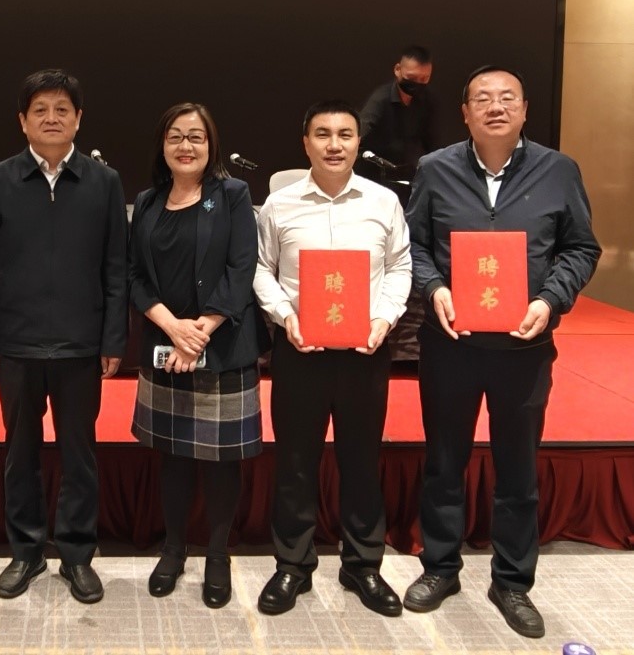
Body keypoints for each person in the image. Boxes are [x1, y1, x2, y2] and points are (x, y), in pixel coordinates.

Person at [402, 66, 600, 639]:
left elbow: (581, 248)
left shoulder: (559, 170)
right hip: (451, 344)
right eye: (483, 99)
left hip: (525, 346)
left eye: (507, 98)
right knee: (444, 461)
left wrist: (550, 299)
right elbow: (412, 244)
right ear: (464, 113)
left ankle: (512, 582)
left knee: (518, 467)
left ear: (525, 109)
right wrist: (434, 288)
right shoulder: (435, 169)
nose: (496, 107)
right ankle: (440, 568)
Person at [0, 68, 128, 604]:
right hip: (16, 345)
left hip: (82, 345)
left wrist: (113, 340)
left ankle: (78, 555)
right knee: (20, 453)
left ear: (79, 118)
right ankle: (26, 551)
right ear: (23, 121)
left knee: (80, 455)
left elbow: (116, 269)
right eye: (40, 110)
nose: (52, 118)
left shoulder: (104, 182)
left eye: (62, 109)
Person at [252, 99, 412, 617]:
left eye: (345, 134)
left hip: (366, 351)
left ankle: (362, 565)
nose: (334, 145)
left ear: (358, 142)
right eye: (322, 134)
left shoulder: (383, 202)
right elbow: (261, 269)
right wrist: (285, 317)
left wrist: (384, 318)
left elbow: (400, 266)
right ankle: (292, 565)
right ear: (306, 143)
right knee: (295, 462)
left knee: (361, 460)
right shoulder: (279, 205)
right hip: (300, 351)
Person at [128, 103, 267, 608]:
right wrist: (171, 327)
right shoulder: (147, 202)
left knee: (221, 460)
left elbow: (241, 266)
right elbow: (133, 276)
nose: (185, 146)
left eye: (196, 137)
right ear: (162, 145)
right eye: (175, 136)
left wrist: (201, 331)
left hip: (221, 345)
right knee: (172, 457)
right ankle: (173, 548)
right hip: (166, 344)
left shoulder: (232, 195)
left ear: (211, 145)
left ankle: (217, 554)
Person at [356, 45, 435, 182]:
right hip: (377, 177)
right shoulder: (380, 100)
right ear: (398, 70)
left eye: (424, 79)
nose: (417, 83)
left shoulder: (428, 100)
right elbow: (359, 134)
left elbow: (432, 143)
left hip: (412, 176)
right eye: (411, 77)